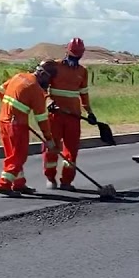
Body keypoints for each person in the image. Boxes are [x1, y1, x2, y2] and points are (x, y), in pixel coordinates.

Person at [0, 60, 59, 197]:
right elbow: (42, 119)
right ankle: (4, 184)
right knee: (19, 156)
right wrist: (49, 139)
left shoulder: (18, 76)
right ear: (42, 74)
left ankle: (18, 184)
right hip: (16, 125)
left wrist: (12, 109)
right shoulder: (35, 90)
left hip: (3, 120)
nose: (49, 84)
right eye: (49, 79)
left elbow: (0, 90)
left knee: (12, 154)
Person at [44, 38, 97, 190]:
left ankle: (66, 181)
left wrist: (90, 113)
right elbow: (41, 88)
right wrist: (48, 102)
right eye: (73, 55)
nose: (75, 58)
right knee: (52, 148)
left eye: (78, 56)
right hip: (55, 116)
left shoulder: (82, 71)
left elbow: (84, 95)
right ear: (67, 51)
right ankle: (50, 177)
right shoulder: (55, 66)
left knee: (72, 151)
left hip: (73, 117)